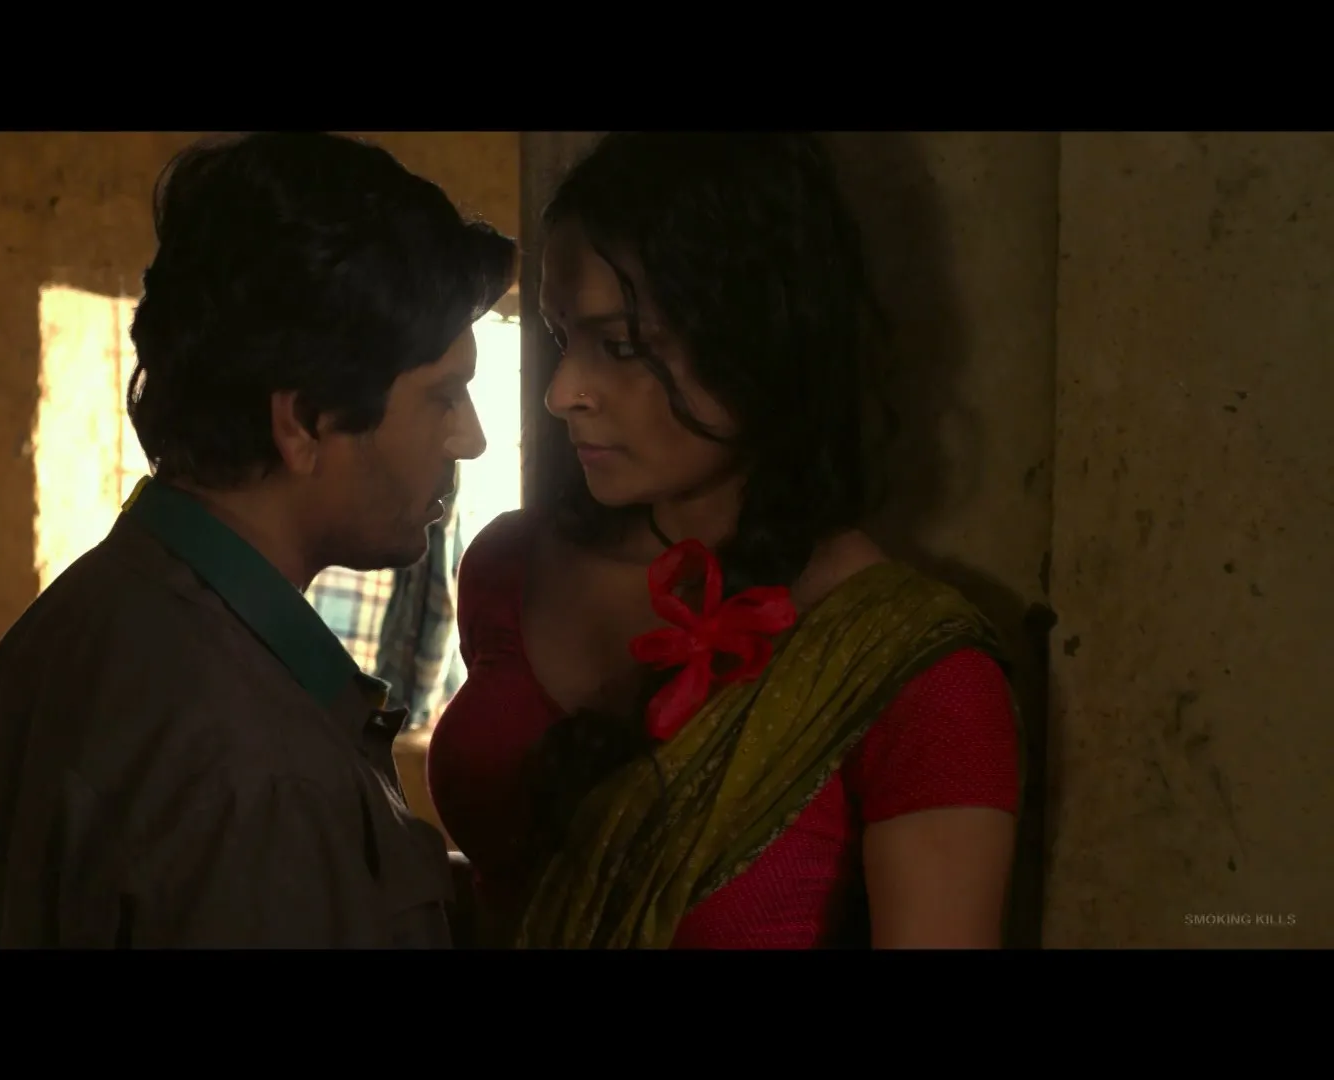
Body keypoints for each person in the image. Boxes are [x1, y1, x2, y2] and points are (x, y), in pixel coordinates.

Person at [426, 132, 1023, 949]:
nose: (564, 393)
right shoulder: (510, 568)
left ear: (758, 340)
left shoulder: (910, 669)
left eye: (622, 347)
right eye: (563, 340)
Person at [0, 132, 517, 948]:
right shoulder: (260, 772)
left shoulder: (81, 618)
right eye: (444, 396)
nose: (470, 438)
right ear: (305, 422)